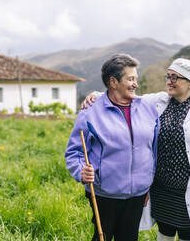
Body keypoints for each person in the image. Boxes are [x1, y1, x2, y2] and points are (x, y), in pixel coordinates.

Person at [82, 58, 190, 241]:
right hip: (162, 186)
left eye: (176, 77)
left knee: (189, 231)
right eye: (168, 76)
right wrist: (96, 95)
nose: (169, 81)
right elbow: (127, 96)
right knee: (165, 229)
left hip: (189, 185)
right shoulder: (158, 101)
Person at [65, 54, 158, 241]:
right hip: (104, 193)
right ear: (113, 82)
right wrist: (80, 171)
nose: (135, 84)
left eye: (136, 79)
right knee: (102, 237)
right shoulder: (90, 112)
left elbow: (153, 148)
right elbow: (74, 152)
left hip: (137, 194)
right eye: (130, 79)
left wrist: (148, 182)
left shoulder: (148, 107)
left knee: (129, 238)